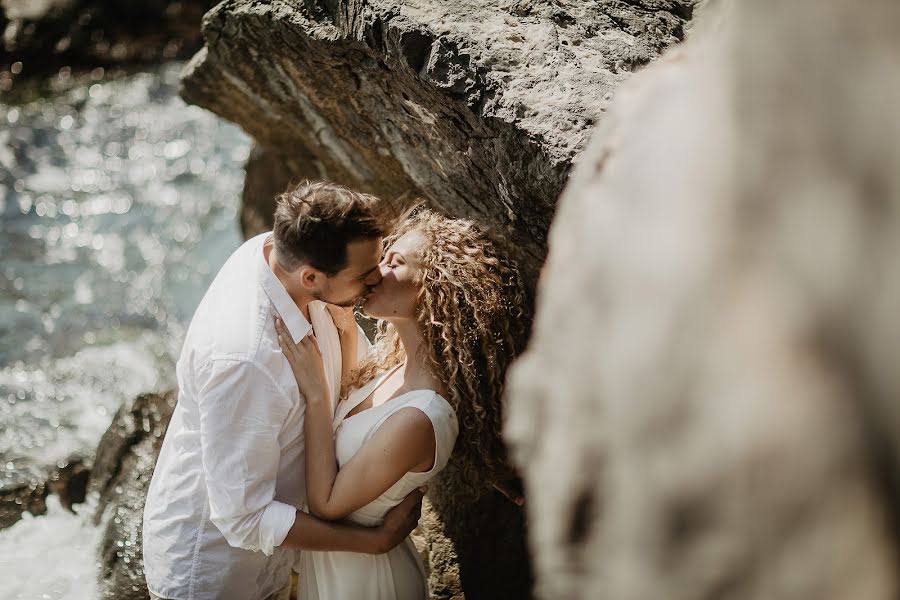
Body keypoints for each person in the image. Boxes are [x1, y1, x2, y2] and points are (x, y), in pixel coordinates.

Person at [141, 181, 425, 600]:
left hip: (281, 562)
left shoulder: (280, 252)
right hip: (219, 579)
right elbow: (243, 518)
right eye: (364, 275)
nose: (376, 278)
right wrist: (373, 543)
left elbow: (356, 393)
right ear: (310, 276)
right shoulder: (246, 360)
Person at [274, 208, 529, 600]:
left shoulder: (421, 415)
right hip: (337, 563)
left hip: (367, 582)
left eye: (395, 262)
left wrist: (314, 395)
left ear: (435, 289)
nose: (376, 270)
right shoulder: (392, 362)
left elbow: (326, 504)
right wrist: (342, 321)